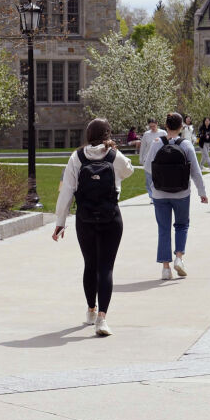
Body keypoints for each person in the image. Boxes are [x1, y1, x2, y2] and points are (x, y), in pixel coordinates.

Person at [52, 118, 133, 336]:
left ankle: (90, 309)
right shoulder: (115, 156)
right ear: (108, 134)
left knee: (90, 264)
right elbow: (129, 171)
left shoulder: (76, 157)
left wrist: (60, 222)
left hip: (85, 218)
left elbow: (66, 191)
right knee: (106, 267)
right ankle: (102, 319)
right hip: (111, 217)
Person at [147, 112, 208, 280]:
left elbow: (147, 167)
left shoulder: (157, 143)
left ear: (166, 126)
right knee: (181, 225)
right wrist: (202, 192)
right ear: (181, 127)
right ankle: (179, 258)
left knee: (164, 229)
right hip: (181, 192)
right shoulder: (186, 145)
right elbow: (196, 172)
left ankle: (165, 268)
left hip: (159, 193)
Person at [137, 118, 163, 196]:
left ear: (157, 124)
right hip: (148, 159)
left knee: (159, 177)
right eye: (150, 126)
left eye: (153, 126)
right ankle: (151, 196)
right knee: (149, 179)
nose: (152, 128)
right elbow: (143, 147)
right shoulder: (146, 134)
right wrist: (141, 158)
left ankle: (159, 194)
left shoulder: (163, 133)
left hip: (160, 159)